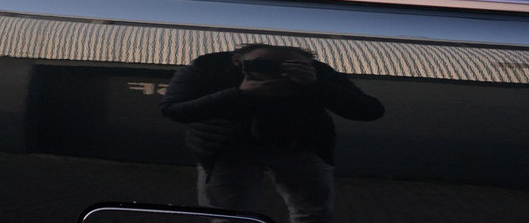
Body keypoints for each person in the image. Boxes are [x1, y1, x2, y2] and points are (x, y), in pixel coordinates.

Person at [161, 43, 384, 223]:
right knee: (231, 216)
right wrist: (239, 94)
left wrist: (315, 85)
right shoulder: (208, 68)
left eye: (290, 66)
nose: (277, 70)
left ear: (308, 65)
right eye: (264, 64)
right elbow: (174, 110)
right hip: (228, 148)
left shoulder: (318, 73)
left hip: (299, 146)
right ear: (237, 62)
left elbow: (369, 110)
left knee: (313, 213)